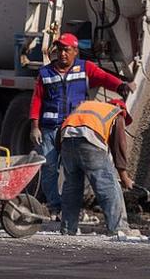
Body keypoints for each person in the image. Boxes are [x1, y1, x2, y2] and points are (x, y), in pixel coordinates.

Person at [28, 33, 135, 216]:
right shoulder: (46, 73)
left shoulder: (85, 68)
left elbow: (103, 77)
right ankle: (55, 205)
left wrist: (120, 85)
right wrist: (34, 126)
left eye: (66, 50)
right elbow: (37, 100)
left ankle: (75, 208)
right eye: (60, 49)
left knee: (74, 169)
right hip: (50, 128)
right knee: (49, 167)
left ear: (75, 51)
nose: (62, 54)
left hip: (73, 128)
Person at [58, 99, 136, 235]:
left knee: (72, 188)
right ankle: (119, 228)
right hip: (89, 141)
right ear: (120, 107)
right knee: (108, 186)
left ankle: (67, 228)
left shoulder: (86, 107)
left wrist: (66, 155)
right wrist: (124, 177)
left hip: (66, 140)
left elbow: (60, 132)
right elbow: (119, 148)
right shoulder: (116, 113)